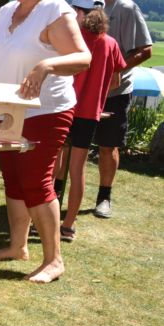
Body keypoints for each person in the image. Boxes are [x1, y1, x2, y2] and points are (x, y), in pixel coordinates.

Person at [0, 0, 91, 283]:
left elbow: (83, 57)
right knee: (13, 178)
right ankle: (18, 247)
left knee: (35, 181)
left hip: (45, 111)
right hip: (6, 109)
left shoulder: (54, 10)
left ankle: (54, 260)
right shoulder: (6, 10)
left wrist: (45, 65)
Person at [53, 0, 126, 241]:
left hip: (63, 107)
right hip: (89, 114)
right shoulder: (110, 43)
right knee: (78, 170)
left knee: (54, 166)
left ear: (78, 11)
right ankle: (68, 225)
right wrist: (96, 92)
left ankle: (41, 221)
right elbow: (116, 82)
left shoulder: (72, 38)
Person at [94, 0, 153, 218]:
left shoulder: (126, 8)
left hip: (115, 92)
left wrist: (114, 69)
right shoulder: (86, 4)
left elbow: (145, 51)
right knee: (68, 145)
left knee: (107, 146)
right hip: (82, 89)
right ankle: (55, 193)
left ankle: (104, 197)